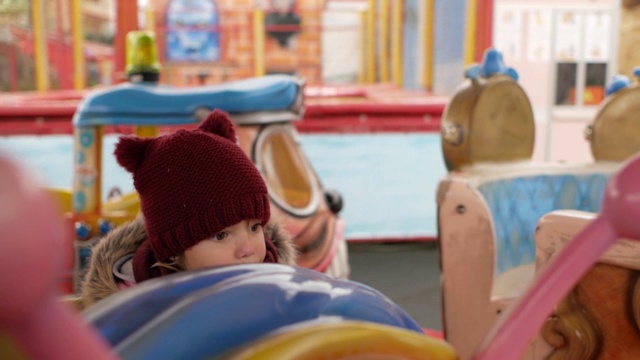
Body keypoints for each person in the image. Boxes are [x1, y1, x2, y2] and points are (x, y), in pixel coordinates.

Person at [80, 109, 296, 308]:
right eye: (221, 235)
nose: (248, 249)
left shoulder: (277, 284)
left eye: (255, 227)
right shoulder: (138, 314)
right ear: (174, 254)